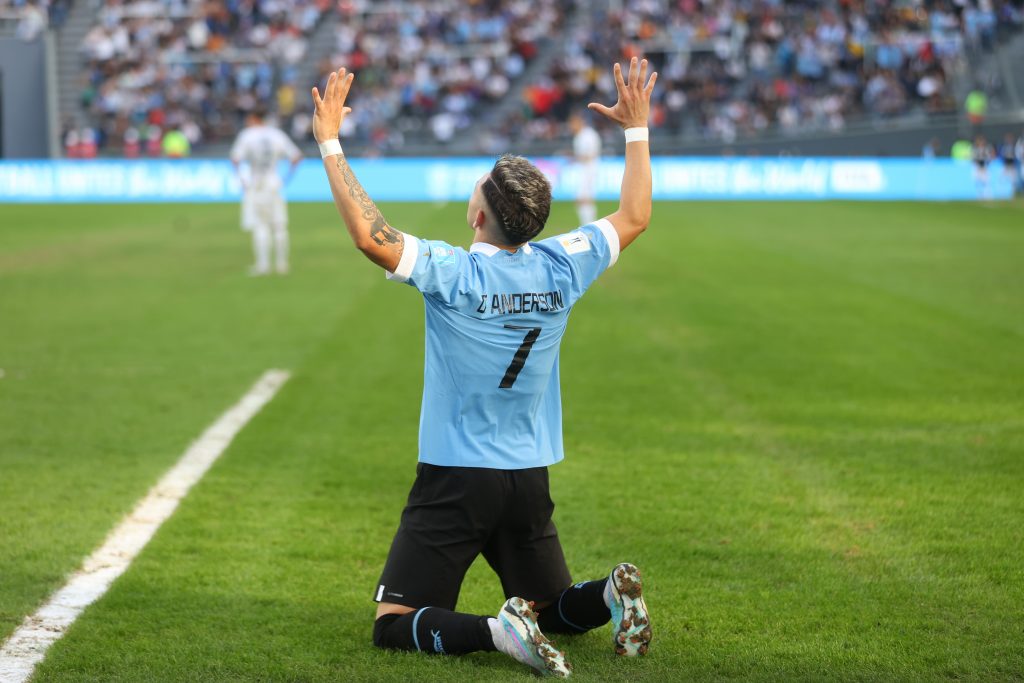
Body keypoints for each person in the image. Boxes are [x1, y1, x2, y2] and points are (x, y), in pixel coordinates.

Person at [310, 57, 657, 677]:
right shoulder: (562, 265)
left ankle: (500, 632)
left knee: (393, 624)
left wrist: (330, 143)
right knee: (553, 608)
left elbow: (372, 235)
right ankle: (610, 594)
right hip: (527, 474)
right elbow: (634, 217)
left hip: (456, 473)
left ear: (477, 216)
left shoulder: (456, 272)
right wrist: (637, 129)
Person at [230, 108, 303, 276]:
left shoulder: (247, 135)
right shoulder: (277, 134)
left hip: (256, 184)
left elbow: (235, 159)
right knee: (279, 226)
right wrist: (286, 179)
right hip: (274, 182)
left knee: (260, 226)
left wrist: (241, 179)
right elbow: (296, 157)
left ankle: (263, 265)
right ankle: (282, 264)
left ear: (254, 118)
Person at [569, 111, 602, 226]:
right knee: (582, 199)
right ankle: (588, 224)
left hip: (589, 170)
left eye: (573, 123)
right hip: (584, 169)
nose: (571, 126)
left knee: (584, 198)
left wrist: (574, 157)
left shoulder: (588, 135)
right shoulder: (579, 136)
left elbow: (590, 155)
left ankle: (589, 224)